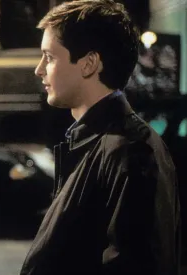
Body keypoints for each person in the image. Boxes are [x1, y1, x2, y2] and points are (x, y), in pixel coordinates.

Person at [20, 1, 181, 275]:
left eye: (50, 57)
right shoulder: (100, 142)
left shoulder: (131, 153)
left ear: (89, 64)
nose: (39, 69)